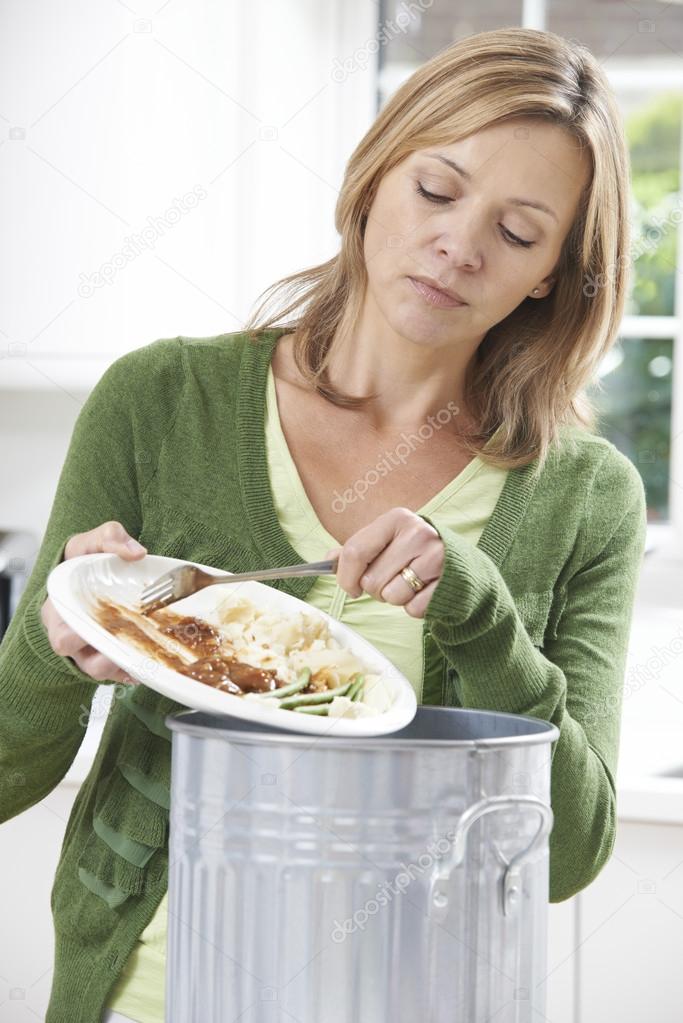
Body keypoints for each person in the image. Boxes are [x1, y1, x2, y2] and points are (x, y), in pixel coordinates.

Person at [0, 26, 647, 1023]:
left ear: (550, 277)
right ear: (374, 175)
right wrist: (53, 649)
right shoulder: (159, 401)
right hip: (149, 995)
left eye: (517, 235)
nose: (458, 245)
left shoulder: (584, 496)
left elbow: (564, 856)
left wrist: (480, 624)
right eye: (436, 190)